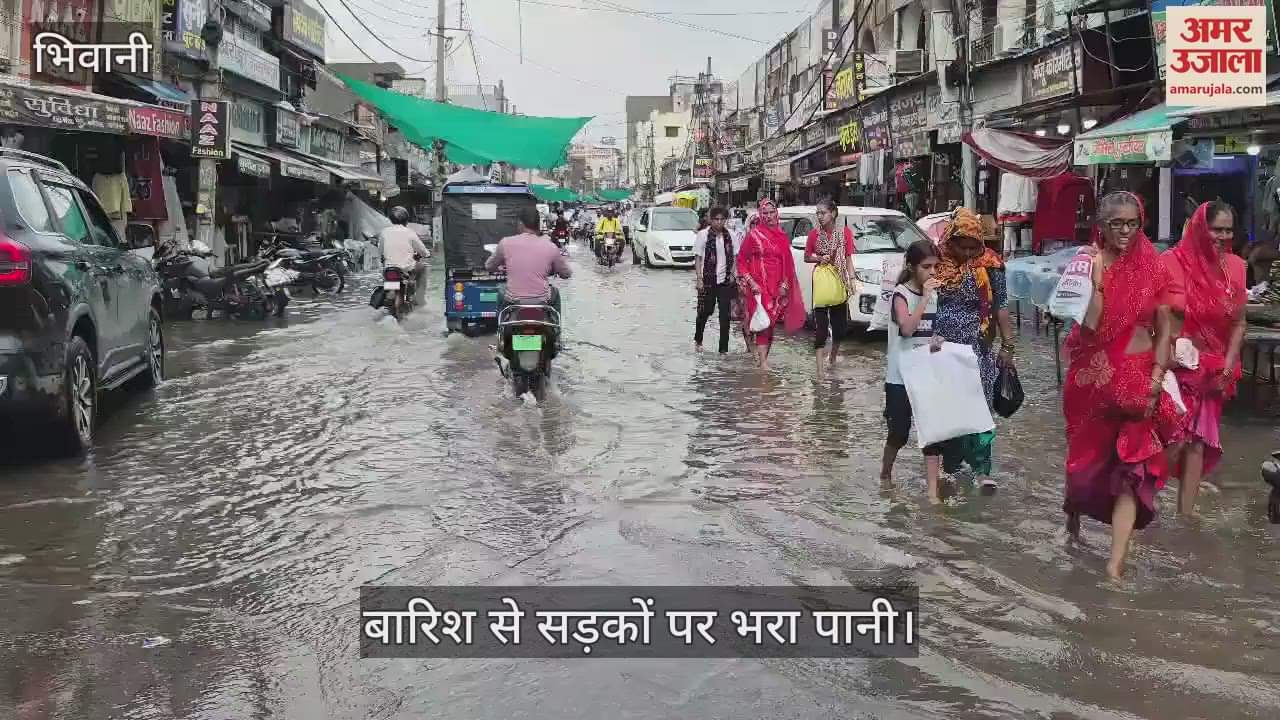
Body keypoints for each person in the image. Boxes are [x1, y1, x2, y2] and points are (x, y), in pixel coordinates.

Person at [1062, 191, 1186, 580]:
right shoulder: (1087, 263)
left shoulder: (1153, 267)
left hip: (1138, 378)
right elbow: (1089, 328)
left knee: (1133, 471)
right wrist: (1097, 282)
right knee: (1086, 464)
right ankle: (1072, 525)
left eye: (1133, 223)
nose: (1126, 231)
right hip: (1095, 380)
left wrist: (1155, 380)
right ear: (1101, 224)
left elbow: (1164, 331)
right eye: (1117, 223)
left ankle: (1115, 564)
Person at [1167, 201, 1247, 517]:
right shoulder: (1173, 262)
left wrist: (1229, 361)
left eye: (1228, 230)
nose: (1223, 236)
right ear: (1201, 227)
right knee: (1172, 442)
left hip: (1214, 368)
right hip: (1178, 366)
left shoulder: (1237, 267)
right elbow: (1153, 314)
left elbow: (1240, 321)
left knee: (1198, 443)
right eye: (1217, 229)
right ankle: (1139, 510)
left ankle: (1185, 518)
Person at [931, 207, 1016, 495]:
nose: (967, 253)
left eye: (973, 246)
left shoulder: (991, 265)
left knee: (978, 409)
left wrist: (1007, 346)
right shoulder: (937, 263)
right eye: (961, 246)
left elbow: (1001, 307)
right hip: (943, 349)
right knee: (951, 410)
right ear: (950, 241)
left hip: (977, 348)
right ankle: (951, 467)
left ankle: (982, 470)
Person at [880, 239, 942, 498]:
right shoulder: (901, 295)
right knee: (899, 434)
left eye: (935, 268)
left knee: (932, 434)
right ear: (912, 266)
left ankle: (932, 492)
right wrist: (925, 298)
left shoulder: (935, 295)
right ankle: (885, 473)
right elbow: (906, 329)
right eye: (926, 267)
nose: (932, 273)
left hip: (925, 373)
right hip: (899, 378)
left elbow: (929, 332)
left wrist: (937, 342)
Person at [736, 198, 806, 371]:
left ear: (777, 213)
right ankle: (763, 364)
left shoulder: (781, 236)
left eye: (771, 212)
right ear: (760, 215)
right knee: (764, 324)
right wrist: (750, 282)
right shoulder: (754, 235)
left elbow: (787, 263)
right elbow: (741, 260)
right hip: (758, 287)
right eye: (764, 213)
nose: (768, 216)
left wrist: (785, 284)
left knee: (771, 324)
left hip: (778, 287)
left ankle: (762, 359)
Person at [485, 206, 572, 324]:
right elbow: (566, 273)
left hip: (513, 301)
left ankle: (502, 325)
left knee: (501, 289)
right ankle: (555, 327)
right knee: (555, 291)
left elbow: (489, 266)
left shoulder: (505, 243)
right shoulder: (551, 246)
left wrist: (500, 268)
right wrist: (554, 269)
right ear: (538, 224)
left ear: (520, 223)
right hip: (542, 301)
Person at [803, 198, 855, 380]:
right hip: (822, 283)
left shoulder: (845, 233)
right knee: (821, 329)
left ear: (833, 213)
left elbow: (848, 257)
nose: (820, 216)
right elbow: (807, 257)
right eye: (817, 213)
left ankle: (832, 357)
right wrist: (819, 258)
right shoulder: (814, 235)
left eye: (823, 213)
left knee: (840, 328)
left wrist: (853, 278)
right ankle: (819, 372)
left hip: (839, 280)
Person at [694, 206, 742, 353]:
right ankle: (698, 339)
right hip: (708, 279)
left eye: (722, 219)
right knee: (705, 311)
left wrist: (733, 274)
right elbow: (698, 257)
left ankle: (723, 350)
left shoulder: (731, 236)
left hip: (725, 281)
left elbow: (735, 257)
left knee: (725, 316)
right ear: (711, 220)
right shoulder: (703, 235)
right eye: (716, 219)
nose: (719, 222)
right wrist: (699, 278)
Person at [379, 206, 431, 298]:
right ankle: (420, 297)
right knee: (424, 267)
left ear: (391, 219)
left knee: (385, 276)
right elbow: (422, 250)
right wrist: (427, 254)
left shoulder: (384, 232)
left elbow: (380, 251)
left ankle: (390, 292)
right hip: (406, 268)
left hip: (389, 268)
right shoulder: (410, 232)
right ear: (406, 220)